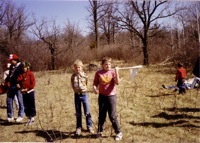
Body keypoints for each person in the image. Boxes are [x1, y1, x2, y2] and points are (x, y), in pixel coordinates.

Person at [93, 57, 123, 141]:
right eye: (106, 64)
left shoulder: (113, 72)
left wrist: (116, 72)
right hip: (102, 96)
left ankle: (119, 132)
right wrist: (95, 88)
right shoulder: (98, 73)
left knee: (112, 116)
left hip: (111, 96)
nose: (108, 66)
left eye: (109, 64)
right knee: (101, 115)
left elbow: (118, 83)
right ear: (102, 65)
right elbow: (95, 83)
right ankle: (99, 131)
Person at [70, 59, 94, 135]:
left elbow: (87, 84)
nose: (78, 69)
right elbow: (72, 85)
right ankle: (78, 127)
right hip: (77, 95)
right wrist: (76, 91)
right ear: (74, 68)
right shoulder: (73, 76)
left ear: (82, 67)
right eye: (76, 67)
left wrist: (84, 90)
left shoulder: (85, 75)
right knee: (78, 113)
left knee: (87, 112)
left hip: (84, 95)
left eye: (79, 67)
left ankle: (89, 126)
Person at [5, 54, 24, 122]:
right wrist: (6, 80)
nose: (10, 62)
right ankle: (10, 116)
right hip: (12, 86)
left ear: (15, 60)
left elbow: (24, 76)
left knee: (20, 101)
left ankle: (20, 115)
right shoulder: (11, 67)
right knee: (9, 101)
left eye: (11, 60)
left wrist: (21, 84)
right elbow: (10, 75)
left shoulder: (21, 66)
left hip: (18, 86)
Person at [17, 61, 36, 126]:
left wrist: (27, 89)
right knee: (26, 105)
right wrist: (18, 85)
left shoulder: (30, 74)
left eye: (25, 67)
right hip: (23, 92)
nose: (24, 68)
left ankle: (32, 117)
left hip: (30, 91)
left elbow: (33, 83)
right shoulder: (20, 74)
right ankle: (28, 117)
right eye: (22, 67)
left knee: (31, 104)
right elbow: (18, 81)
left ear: (27, 67)